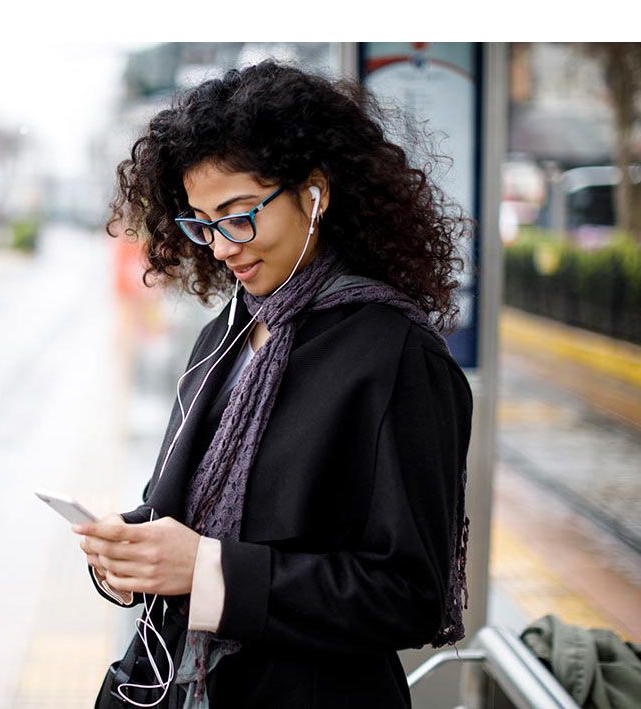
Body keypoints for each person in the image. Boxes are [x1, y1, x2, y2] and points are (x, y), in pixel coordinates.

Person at [73, 59, 475, 709]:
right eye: (201, 223)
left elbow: (408, 595)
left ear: (314, 193)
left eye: (239, 214)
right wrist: (130, 548)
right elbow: (182, 511)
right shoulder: (223, 334)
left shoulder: (395, 356)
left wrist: (209, 572)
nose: (222, 246)